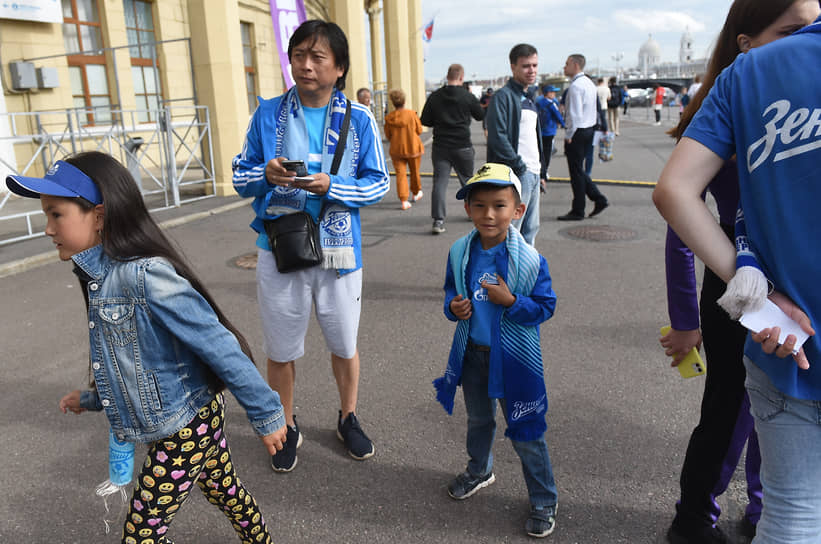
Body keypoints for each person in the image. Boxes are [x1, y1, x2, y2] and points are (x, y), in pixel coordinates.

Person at [5, 151, 288, 543]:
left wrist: (267, 412)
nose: (48, 229)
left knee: (141, 534)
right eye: (46, 216)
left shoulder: (144, 276)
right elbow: (130, 366)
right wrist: (90, 399)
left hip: (187, 424)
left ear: (99, 216)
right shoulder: (100, 278)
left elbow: (218, 343)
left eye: (56, 214)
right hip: (179, 417)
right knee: (223, 490)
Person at [653, 5, 821, 543]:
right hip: (739, 288)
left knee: (771, 417)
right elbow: (681, 226)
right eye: (792, 32)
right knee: (731, 410)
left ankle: (759, 504)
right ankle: (694, 514)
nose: (805, 42)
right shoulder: (738, 109)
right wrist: (684, 320)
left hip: (784, 290)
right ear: (747, 42)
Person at [232, 20, 389, 472]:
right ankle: (284, 424)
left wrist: (332, 185)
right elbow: (239, 178)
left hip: (341, 254)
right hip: (281, 247)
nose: (304, 65)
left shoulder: (359, 119)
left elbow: (378, 184)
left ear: (338, 68)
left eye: (317, 57)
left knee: (343, 343)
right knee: (280, 348)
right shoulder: (267, 114)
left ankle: (348, 417)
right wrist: (266, 174)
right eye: (298, 54)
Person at [433, 162, 558, 538]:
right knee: (479, 421)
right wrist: (453, 308)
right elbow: (450, 291)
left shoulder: (532, 260)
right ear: (468, 208)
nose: (489, 214)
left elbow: (545, 307)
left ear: (518, 210)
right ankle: (480, 469)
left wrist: (511, 300)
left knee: (527, 430)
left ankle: (543, 498)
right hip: (473, 354)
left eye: (499, 205)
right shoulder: (459, 251)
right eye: (480, 205)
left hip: (515, 361)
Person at [485, 43, 543, 246]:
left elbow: (534, 139)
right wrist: (519, 166)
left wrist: (540, 172)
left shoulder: (529, 97)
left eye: (535, 65)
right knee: (511, 232)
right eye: (526, 66)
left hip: (533, 173)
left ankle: (524, 276)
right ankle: (503, 277)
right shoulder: (504, 97)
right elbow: (497, 137)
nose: (532, 70)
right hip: (518, 173)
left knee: (530, 231)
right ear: (513, 67)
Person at [420, 63, 484, 234]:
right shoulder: (467, 96)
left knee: (440, 182)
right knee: (468, 180)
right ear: (461, 77)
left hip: (441, 146)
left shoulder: (435, 96)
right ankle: (474, 212)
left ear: (447, 76)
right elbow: (480, 116)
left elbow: (425, 120)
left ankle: (438, 220)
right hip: (462, 144)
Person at [559, 54, 608, 221]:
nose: (564, 67)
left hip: (578, 132)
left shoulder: (575, 87)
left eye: (566, 64)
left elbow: (574, 115)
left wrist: (568, 135)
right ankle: (597, 199)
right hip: (589, 130)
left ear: (575, 65)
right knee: (579, 169)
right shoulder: (589, 83)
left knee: (576, 172)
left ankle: (579, 209)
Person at [384, 88, 424, 210]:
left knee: (400, 175)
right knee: (415, 172)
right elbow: (419, 130)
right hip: (413, 148)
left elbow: (388, 135)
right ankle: (416, 192)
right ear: (404, 101)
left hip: (397, 150)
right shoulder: (412, 114)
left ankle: (404, 200)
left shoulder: (389, 118)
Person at [536, 85, 565, 190]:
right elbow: (558, 116)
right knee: (547, 154)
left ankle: (539, 170)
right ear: (547, 93)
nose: (554, 94)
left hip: (540, 131)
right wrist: (564, 124)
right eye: (553, 92)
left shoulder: (538, 103)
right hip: (549, 131)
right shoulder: (551, 104)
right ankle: (544, 172)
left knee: (540, 152)